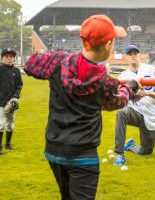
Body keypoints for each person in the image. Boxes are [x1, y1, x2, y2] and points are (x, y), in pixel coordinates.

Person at [23, 14, 140, 200]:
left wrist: (49, 60)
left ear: (83, 41)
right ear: (108, 44)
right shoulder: (104, 82)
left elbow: (30, 65)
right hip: (82, 156)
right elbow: (118, 102)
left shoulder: (59, 61)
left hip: (54, 151)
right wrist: (130, 87)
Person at [113, 45, 155, 166]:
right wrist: (134, 94)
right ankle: (120, 154)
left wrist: (147, 92)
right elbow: (121, 99)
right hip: (135, 112)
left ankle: (130, 146)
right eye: (130, 54)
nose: (133, 56)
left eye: (135, 54)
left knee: (146, 151)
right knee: (122, 112)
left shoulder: (151, 70)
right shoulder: (123, 76)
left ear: (139, 55)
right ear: (127, 57)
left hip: (150, 116)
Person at [0, 48, 23, 155]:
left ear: (13, 58)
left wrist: (15, 97)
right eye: (6, 56)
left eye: (11, 56)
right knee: (1, 123)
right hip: (0, 101)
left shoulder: (16, 71)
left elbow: (19, 85)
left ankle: (8, 144)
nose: (9, 58)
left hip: (12, 102)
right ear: (2, 58)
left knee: (10, 124)